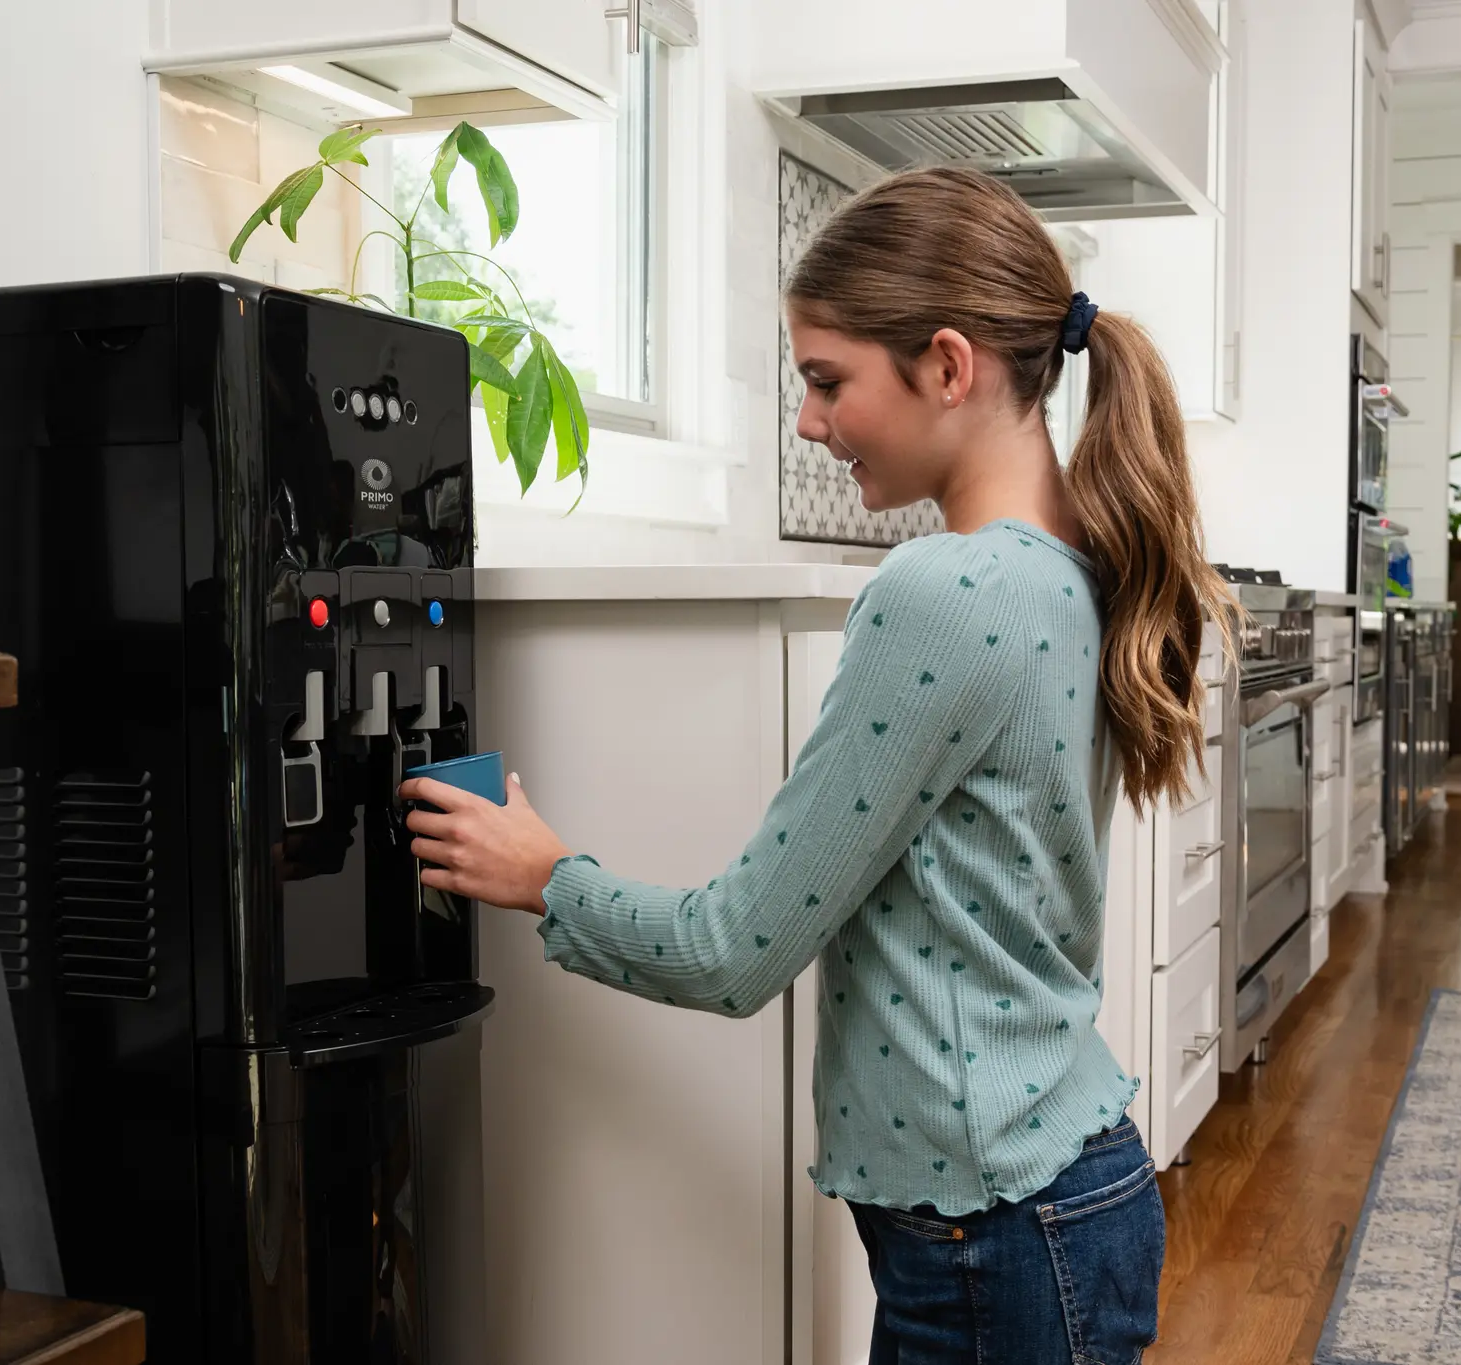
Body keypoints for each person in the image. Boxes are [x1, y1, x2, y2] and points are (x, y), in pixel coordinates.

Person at [398, 166, 1230, 1365]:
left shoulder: (946, 593)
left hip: (991, 1236)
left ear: (948, 366)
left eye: (826, 380)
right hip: (1041, 1202)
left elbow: (732, 950)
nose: (806, 422)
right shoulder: (1070, 565)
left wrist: (546, 875)